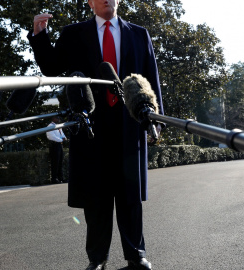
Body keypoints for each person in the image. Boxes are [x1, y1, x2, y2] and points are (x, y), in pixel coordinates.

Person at [27, 0, 163, 269]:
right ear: (90, 2)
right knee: (96, 197)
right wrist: (39, 36)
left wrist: (156, 120)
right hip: (90, 125)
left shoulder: (139, 33)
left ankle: (136, 256)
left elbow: (151, 77)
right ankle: (97, 259)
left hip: (129, 124)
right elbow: (51, 67)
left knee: (130, 196)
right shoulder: (73, 33)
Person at [46, 116, 67, 184]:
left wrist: (64, 138)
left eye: (59, 118)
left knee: (60, 162)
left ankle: (60, 178)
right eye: (57, 118)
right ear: (53, 118)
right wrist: (61, 139)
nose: (59, 119)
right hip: (54, 145)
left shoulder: (58, 126)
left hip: (59, 145)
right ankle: (54, 179)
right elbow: (51, 136)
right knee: (55, 162)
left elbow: (62, 134)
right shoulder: (50, 126)